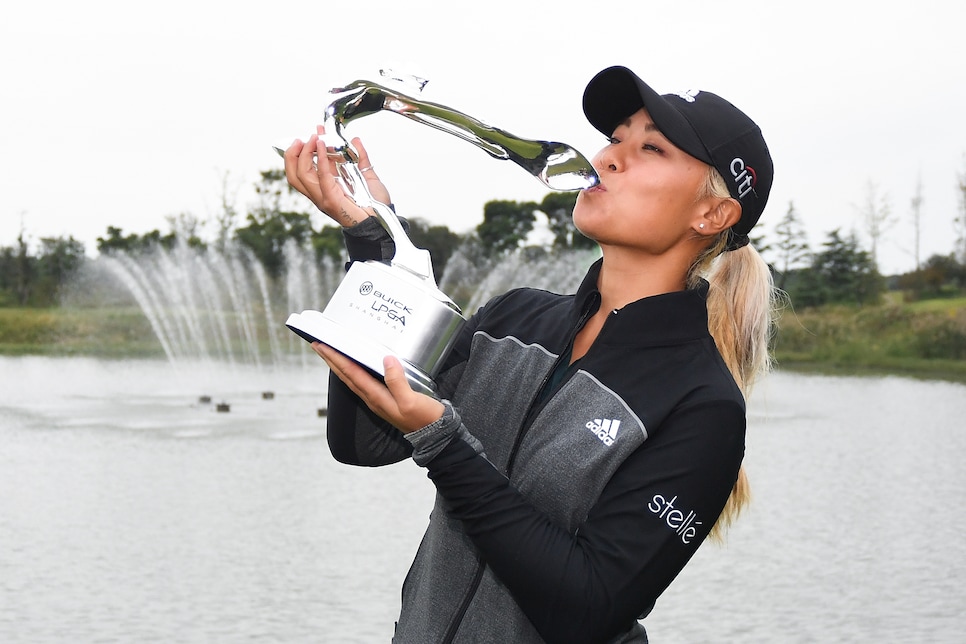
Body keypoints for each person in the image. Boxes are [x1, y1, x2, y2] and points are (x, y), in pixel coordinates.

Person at [284, 65, 776, 643]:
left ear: (712, 214)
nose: (610, 157)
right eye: (616, 139)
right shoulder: (515, 319)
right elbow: (363, 443)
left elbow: (588, 609)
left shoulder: (702, 403)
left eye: (651, 148)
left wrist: (443, 444)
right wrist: (373, 243)